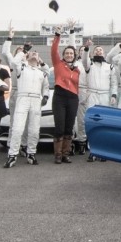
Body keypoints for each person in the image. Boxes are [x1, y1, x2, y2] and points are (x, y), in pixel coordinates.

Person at [4, 49, 49, 168]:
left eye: (36, 53)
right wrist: (24, 52)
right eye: (31, 53)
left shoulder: (41, 73)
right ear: (26, 57)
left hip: (35, 100)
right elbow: (14, 62)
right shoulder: (22, 69)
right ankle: (12, 154)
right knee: (17, 128)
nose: (34, 54)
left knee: (34, 129)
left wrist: (45, 96)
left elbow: (46, 85)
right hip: (22, 98)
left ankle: (31, 153)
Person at [50, 20, 81, 164]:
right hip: (60, 97)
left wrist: (73, 30)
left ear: (74, 55)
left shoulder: (77, 69)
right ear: (63, 55)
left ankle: (65, 153)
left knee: (69, 127)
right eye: (67, 53)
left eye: (71, 53)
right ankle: (57, 154)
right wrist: (58, 34)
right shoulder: (58, 63)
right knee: (60, 126)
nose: (69, 54)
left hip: (73, 98)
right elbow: (54, 49)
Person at [79, 39, 115, 154]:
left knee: (104, 122)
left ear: (103, 53)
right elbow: (84, 59)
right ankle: (92, 149)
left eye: (101, 50)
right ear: (93, 53)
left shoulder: (110, 67)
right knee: (91, 122)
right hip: (92, 95)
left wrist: (114, 95)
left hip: (105, 96)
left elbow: (113, 83)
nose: (99, 52)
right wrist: (86, 48)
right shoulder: (89, 65)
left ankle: (103, 149)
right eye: (96, 50)